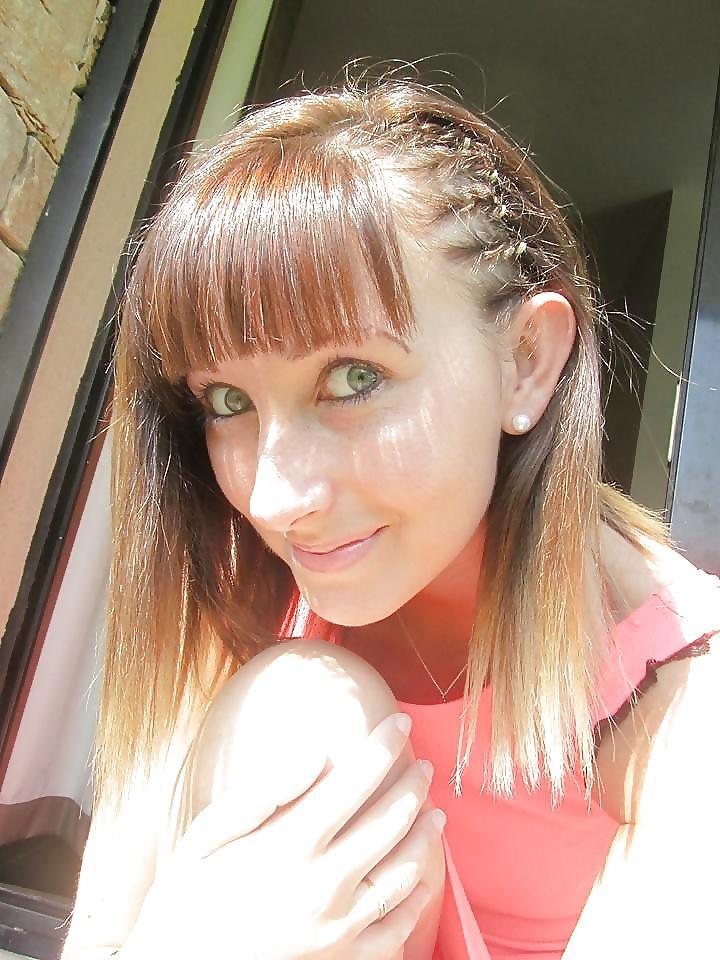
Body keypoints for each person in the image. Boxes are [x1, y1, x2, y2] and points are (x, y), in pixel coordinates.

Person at [61, 79, 719, 960]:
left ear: (526, 362)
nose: (276, 499)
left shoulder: (685, 707)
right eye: (226, 401)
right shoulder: (246, 595)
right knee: (303, 705)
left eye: (354, 379)